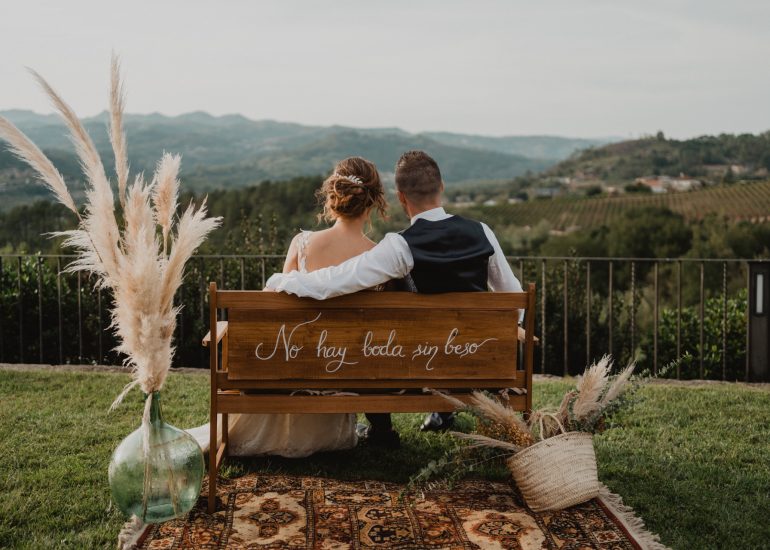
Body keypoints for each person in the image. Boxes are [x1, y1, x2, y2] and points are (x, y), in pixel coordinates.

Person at [266, 150, 523, 447]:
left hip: (424, 366)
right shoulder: (483, 232)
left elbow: (336, 281)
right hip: (483, 363)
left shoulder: (399, 246)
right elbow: (514, 299)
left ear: (402, 198)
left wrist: (282, 280)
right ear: (442, 187)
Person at [189, 156, 388, 457]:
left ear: (333, 198)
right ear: (372, 202)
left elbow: (273, 311)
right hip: (342, 376)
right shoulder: (376, 257)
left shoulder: (303, 244)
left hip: (296, 369)